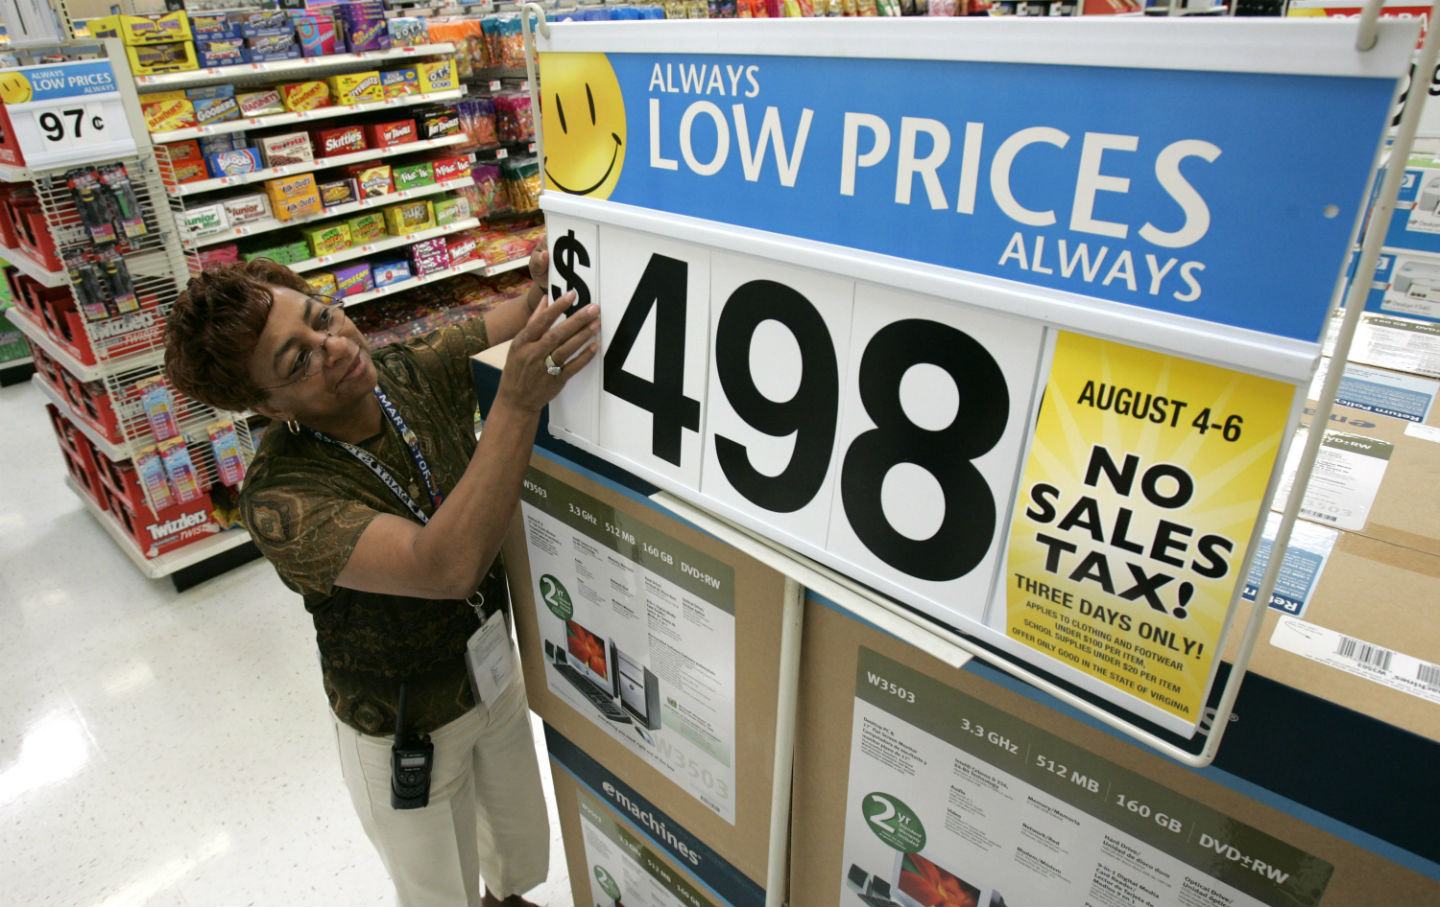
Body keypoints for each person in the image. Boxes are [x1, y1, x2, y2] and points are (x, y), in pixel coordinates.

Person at [163, 248, 599, 907]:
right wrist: (514, 401)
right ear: (263, 402)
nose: (333, 346)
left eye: (322, 319)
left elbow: (515, 319)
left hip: (491, 666)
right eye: (298, 360)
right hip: (405, 722)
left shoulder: (399, 373)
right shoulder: (282, 498)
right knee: (437, 888)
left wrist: (547, 283)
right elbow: (443, 566)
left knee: (516, 845)